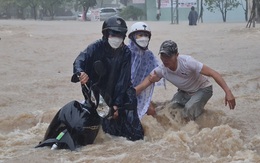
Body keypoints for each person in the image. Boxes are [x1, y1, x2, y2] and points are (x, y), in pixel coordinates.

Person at [72, 16, 144, 141]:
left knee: (134, 131)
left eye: (120, 35)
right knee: (100, 129)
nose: (116, 38)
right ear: (105, 34)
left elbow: (123, 80)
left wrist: (116, 105)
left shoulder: (126, 52)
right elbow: (79, 61)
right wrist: (80, 73)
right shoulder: (95, 47)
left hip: (120, 93)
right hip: (99, 91)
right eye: (113, 34)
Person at [136, 40, 236, 121]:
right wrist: (132, 92)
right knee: (170, 110)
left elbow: (213, 73)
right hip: (185, 92)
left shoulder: (188, 62)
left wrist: (228, 92)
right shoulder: (162, 69)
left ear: (177, 55)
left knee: (188, 111)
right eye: (163, 56)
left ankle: (197, 122)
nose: (165, 59)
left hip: (203, 89)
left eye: (168, 56)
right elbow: (146, 82)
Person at [127, 22, 164, 119]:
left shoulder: (149, 56)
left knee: (151, 112)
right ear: (133, 37)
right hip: (122, 94)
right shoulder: (124, 53)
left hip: (139, 92)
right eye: (140, 35)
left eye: (146, 35)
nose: (144, 38)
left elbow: (158, 73)